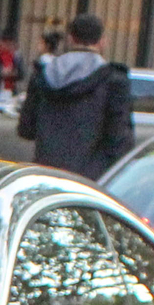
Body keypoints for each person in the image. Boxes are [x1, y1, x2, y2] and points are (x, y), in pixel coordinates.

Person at [17, 11, 134, 179]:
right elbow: (120, 140)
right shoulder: (114, 80)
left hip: (45, 174)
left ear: (71, 38)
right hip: (90, 179)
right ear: (102, 42)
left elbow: (26, 129)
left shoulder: (43, 75)